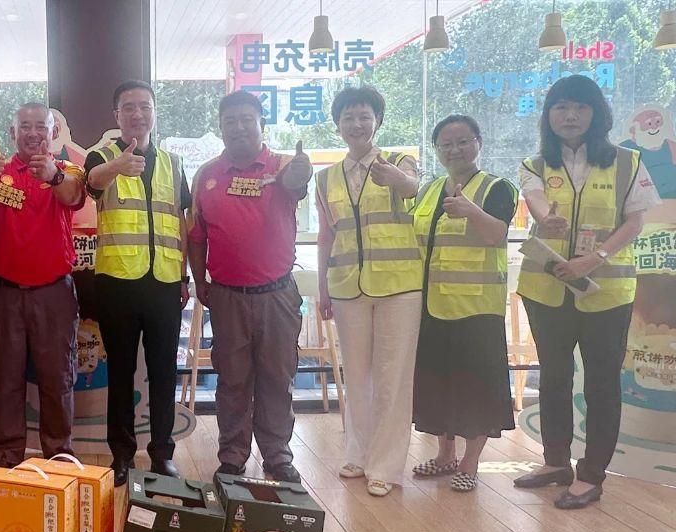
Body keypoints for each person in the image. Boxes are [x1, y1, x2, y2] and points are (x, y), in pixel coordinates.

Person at [514, 75, 659, 509]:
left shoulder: (627, 163)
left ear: (597, 113)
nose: (570, 115)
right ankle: (555, 462)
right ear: (548, 115)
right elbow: (536, 199)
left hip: (606, 293)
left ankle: (591, 474)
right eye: (560, 107)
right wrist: (547, 218)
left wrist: (593, 258)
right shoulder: (535, 164)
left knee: (601, 384)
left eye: (579, 106)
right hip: (546, 290)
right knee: (554, 378)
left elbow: (635, 222)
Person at [187, 90, 310, 484]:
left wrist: (301, 171)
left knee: (277, 376)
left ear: (261, 124)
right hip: (227, 297)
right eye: (230, 121)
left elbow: (296, 183)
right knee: (232, 379)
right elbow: (196, 236)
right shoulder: (207, 175)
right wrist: (199, 280)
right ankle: (232, 456)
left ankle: (277, 455)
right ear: (221, 128)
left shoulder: (282, 166)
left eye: (246, 120)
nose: (238, 127)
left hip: (277, 296)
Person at [0, 102, 85, 467]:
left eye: (40, 127)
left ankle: (59, 453)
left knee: (57, 377)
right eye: (25, 127)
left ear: (53, 132)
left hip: (54, 292)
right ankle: (6, 456)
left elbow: (73, 195)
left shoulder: (67, 170)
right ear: (13, 132)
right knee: (6, 377)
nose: (33, 133)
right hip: (4, 292)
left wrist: (53, 175)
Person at [314, 85, 421, 497]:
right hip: (346, 286)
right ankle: (357, 453)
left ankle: (385, 466)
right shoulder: (326, 178)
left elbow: (413, 190)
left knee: (394, 377)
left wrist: (399, 179)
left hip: (399, 286)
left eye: (364, 116)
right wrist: (322, 287)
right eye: (348, 117)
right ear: (337, 124)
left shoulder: (399, 162)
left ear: (377, 121)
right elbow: (327, 235)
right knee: (356, 375)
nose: (356, 124)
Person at [84, 80, 192, 486]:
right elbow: (92, 182)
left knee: (164, 371)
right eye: (128, 107)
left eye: (145, 106)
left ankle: (162, 454)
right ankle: (122, 455)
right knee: (121, 373)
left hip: (164, 282)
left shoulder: (173, 163)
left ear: (154, 113)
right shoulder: (102, 156)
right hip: (118, 283)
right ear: (116, 115)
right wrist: (117, 166)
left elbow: (181, 221)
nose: (137, 114)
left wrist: (184, 275)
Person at [410, 115, 518, 492]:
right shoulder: (428, 190)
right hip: (432, 305)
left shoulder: (497, 188)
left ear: (478, 143)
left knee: (476, 387)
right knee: (438, 384)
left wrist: (471, 211)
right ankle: (445, 455)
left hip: (477, 309)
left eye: (463, 141)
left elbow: (497, 235)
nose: (455, 150)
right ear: (437, 150)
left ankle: (470, 462)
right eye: (446, 144)